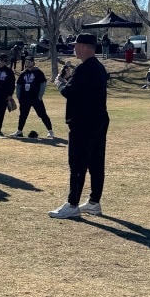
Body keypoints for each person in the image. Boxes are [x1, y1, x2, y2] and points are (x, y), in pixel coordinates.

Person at [49, 33, 109, 219]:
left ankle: (72, 203)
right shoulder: (98, 67)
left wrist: (59, 82)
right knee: (96, 163)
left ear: (84, 47)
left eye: (76, 45)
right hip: (98, 119)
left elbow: (69, 92)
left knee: (77, 164)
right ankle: (93, 202)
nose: (74, 48)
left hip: (84, 122)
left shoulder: (84, 69)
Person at [11, 57, 55, 138]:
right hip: (25, 98)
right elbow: (18, 85)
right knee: (23, 115)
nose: (27, 63)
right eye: (26, 62)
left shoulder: (38, 72)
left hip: (35, 98)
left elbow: (43, 84)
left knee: (42, 114)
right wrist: (19, 96)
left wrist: (40, 96)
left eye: (29, 62)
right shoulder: (23, 73)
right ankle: (19, 131)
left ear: (33, 62)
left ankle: (50, 131)